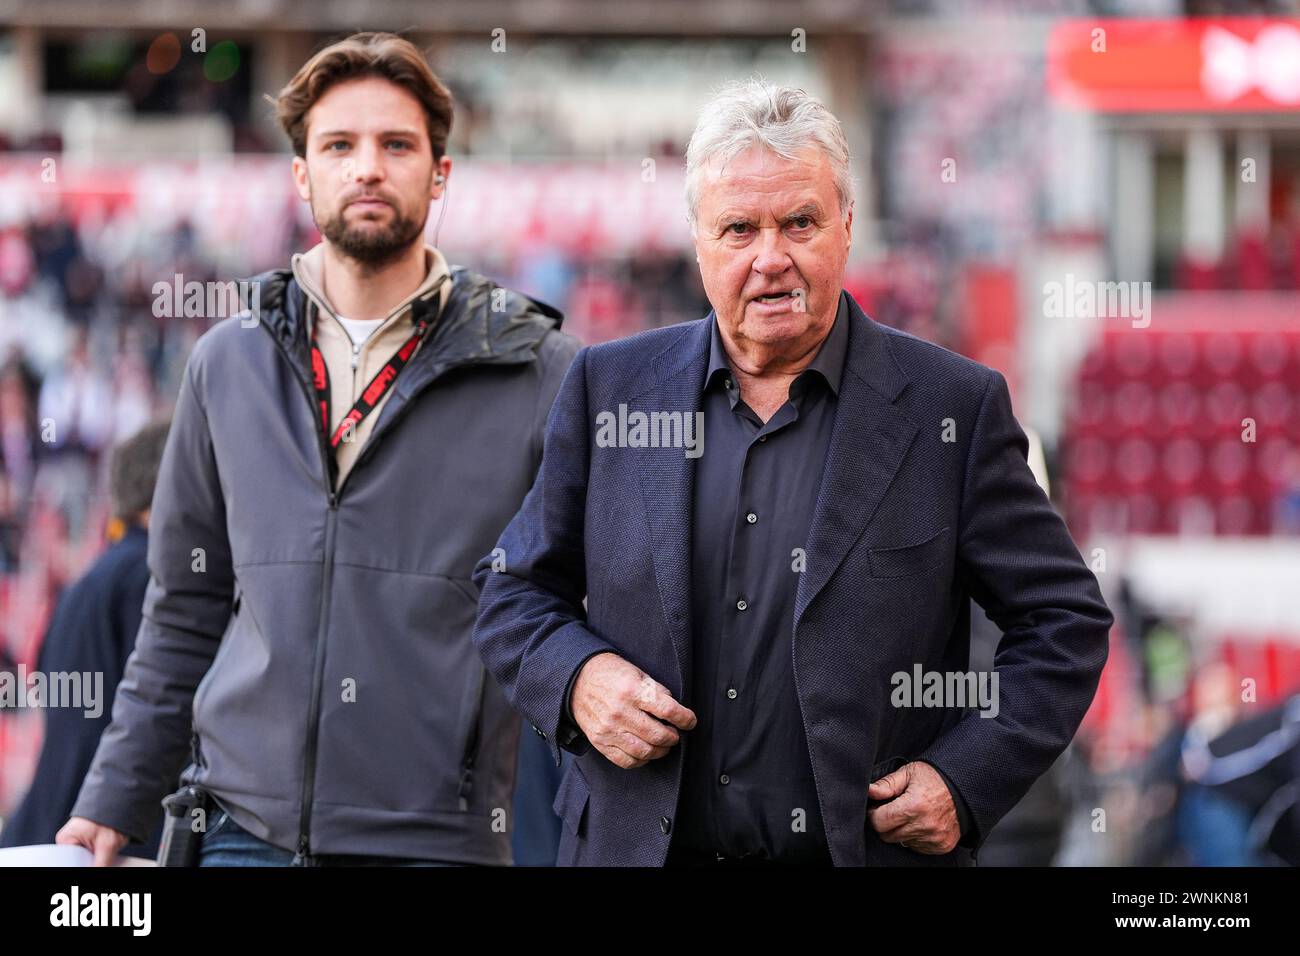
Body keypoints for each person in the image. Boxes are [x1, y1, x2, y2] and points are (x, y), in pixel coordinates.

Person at [472, 79, 1113, 866]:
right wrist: (577, 680)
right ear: (699, 241)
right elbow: (510, 589)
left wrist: (963, 778)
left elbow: (1065, 621)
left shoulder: (955, 407)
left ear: (847, 226)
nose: (770, 258)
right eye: (738, 228)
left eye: (799, 222)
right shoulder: (608, 388)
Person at [57, 32, 579, 867]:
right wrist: (113, 797)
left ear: (440, 173)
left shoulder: (541, 373)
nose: (367, 167)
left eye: (396, 145)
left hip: (435, 845)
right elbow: (184, 609)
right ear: (302, 174)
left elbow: (594, 603)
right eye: (339, 145)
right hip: (239, 838)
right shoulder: (227, 363)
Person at [1, 421, 169, 859]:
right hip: (105, 839)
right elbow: (160, 704)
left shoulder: (89, 580)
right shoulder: (149, 577)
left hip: (50, 828)